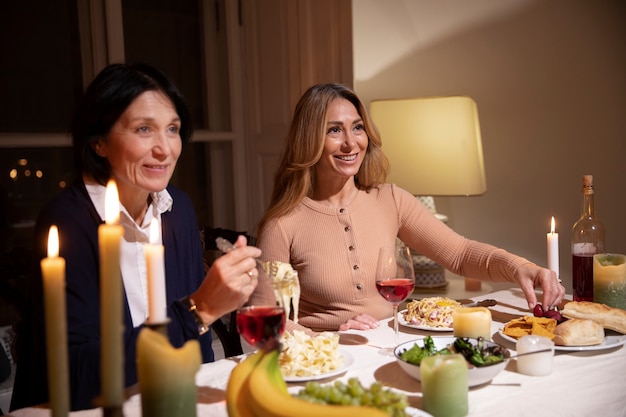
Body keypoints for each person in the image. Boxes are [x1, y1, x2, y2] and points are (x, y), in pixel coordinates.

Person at [10, 63, 261, 411]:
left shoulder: (177, 208)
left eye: (172, 129)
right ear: (98, 142)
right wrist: (198, 310)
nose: (165, 149)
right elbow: (78, 374)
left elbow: (197, 352)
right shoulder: (68, 221)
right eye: (144, 129)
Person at [249, 83, 565, 333]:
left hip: (392, 345)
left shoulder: (390, 199)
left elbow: (459, 253)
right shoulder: (282, 224)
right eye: (334, 130)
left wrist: (521, 267)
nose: (350, 143)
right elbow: (266, 320)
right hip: (330, 361)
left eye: (357, 128)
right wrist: (326, 337)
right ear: (309, 139)